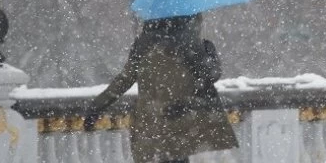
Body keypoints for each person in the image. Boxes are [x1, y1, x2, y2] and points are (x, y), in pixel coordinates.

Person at [84, 14, 238, 163]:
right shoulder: (190, 45)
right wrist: (209, 53)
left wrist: (96, 107)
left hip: (151, 126)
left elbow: (123, 81)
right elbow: (211, 76)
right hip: (179, 121)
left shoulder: (143, 47)